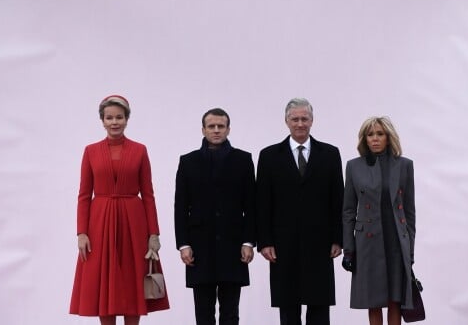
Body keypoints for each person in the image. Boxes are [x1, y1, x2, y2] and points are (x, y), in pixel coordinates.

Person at [70, 94, 170, 325]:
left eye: (119, 117)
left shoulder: (140, 150)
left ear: (127, 119)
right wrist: (81, 233)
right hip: (99, 223)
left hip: (134, 223)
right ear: (102, 121)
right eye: (109, 118)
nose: (114, 122)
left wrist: (153, 233)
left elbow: (148, 195)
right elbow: (84, 195)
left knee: (133, 279)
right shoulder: (90, 151)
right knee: (103, 281)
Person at [256, 98, 343, 325]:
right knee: (288, 309)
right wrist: (264, 241)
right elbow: (263, 203)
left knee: (319, 308)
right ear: (286, 122)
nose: (300, 124)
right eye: (295, 119)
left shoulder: (330, 154)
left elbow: (338, 200)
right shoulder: (269, 156)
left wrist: (338, 238)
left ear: (312, 121)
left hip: (320, 243)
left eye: (305, 119)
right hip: (283, 245)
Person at [174, 107, 256, 325]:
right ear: (203, 129)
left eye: (221, 126)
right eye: (212, 126)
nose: (216, 130)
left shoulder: (243, 160)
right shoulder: (188, 161)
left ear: (229, 129)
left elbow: (251, 205)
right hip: (200, 246)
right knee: (203, 311)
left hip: (233, 244)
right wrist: (183, 244)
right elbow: (180, 207)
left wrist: (248, 241)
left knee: (230, 311)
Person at [342, 116, 416, 325]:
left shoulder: (404, 166)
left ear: (388, 137)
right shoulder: (354, 167)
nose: (375, 139)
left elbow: (409, 212)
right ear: (364, 139)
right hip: (367, 242)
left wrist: (409, 250)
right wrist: (349, 249)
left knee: (396, 299)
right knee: (372, 300)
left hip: (395, 240)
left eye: (380, 134)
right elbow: (348, 211)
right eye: (370, 134)